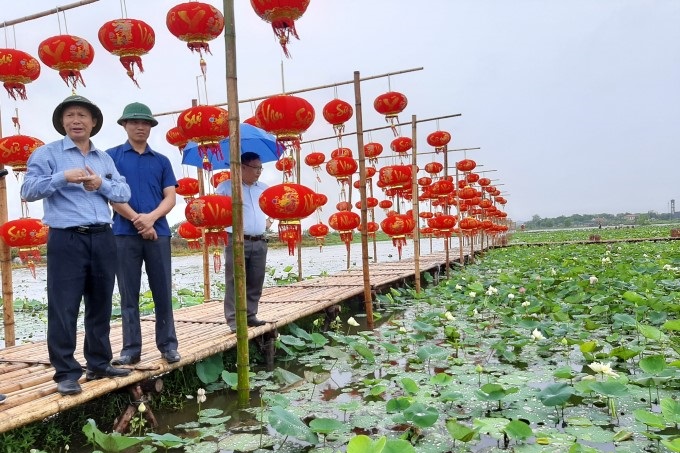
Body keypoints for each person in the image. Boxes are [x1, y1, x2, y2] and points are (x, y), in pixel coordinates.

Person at [21, 95, 132, 396]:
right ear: (62, 122)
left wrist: (101, 185)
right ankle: (66, 373)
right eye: (70, 115)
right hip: (67, 238)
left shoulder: (104, 159)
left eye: (82, 115)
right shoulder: (47, 154)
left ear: (93, 122)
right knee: (64, 306)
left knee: (100, 303)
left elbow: (123, 192)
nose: (76, 120)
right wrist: (62, 177)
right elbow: (28, 190)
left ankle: (99, 362)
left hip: (103, 236)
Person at [106, 102, 180, 366]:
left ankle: (168, 345)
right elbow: (111, 196)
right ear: (124, 125)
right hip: (123, 234)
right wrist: (139, 221)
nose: (140, 127)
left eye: (145, 123)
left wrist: (151, 219)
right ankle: (131, 349)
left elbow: (170, 197)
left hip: (159, 233)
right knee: (128, 293)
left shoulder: (161, 160)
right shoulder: (111, 157)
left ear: (150, 127)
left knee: (162, 290)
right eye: (134, 122)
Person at [216, 152, 272, 330]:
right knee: (234, 279)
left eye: (260, 168)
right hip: (236, 239)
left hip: (260, 240)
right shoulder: (226, 187)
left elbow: (273, 207)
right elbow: (217, 211)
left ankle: (250, 314)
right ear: (242, 167)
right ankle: (233, 320)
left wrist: (269, 222)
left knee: (256, 278)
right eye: (255, 168)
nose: (259, 172)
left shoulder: (264, 188)